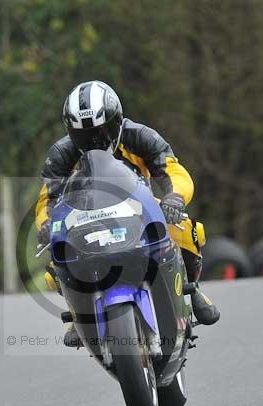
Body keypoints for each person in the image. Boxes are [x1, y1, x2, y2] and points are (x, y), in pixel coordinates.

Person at [35, 80, 220, 346]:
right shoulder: (62, 153)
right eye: (83, 136)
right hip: (86, 217)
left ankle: (191, 289)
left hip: (139, 208)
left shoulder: (140, 136)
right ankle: (77, 315)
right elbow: (47, 198)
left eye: (101, 131)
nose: (94, 142)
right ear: (71, 132)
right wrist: (47, 224)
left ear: (117, 121)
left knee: (189, 229)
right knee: (54, 265)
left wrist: (174, 198)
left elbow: (172, 171)